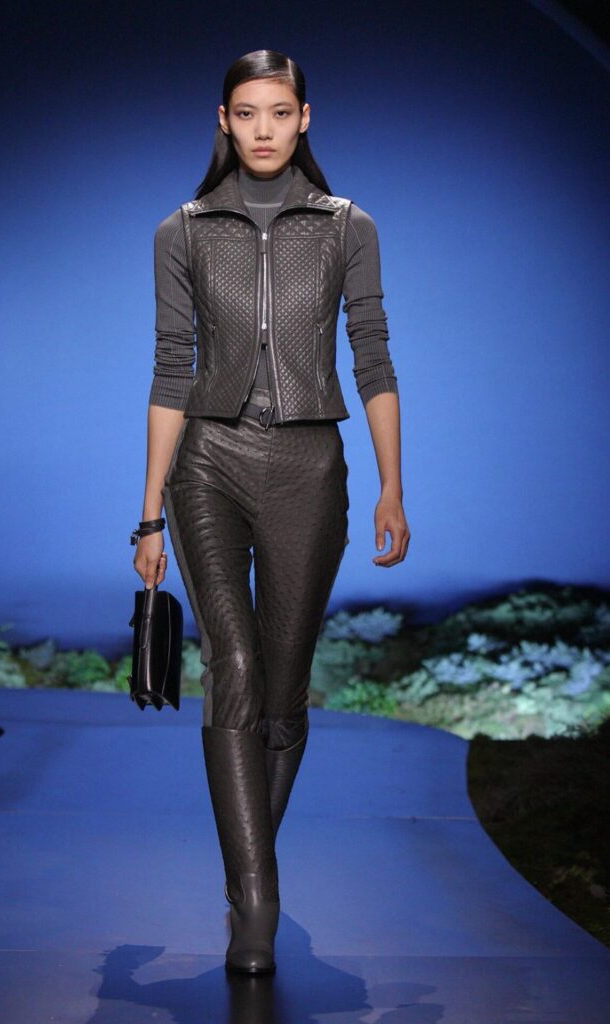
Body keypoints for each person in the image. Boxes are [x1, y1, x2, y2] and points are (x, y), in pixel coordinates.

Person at [133, 49, 410, 975]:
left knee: (284, 693)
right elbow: (170, 369)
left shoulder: (347, 226)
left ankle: (243, 873)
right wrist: (147, 516)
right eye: (245, 112)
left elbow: (372, 354)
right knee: (237, 667)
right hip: (207, 464)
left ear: (304, 118)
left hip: (307, 467)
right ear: (222, 121)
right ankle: (256, 905)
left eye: (278, 112)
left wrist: (391, 485)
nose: (262, 128)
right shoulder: (180, 231)